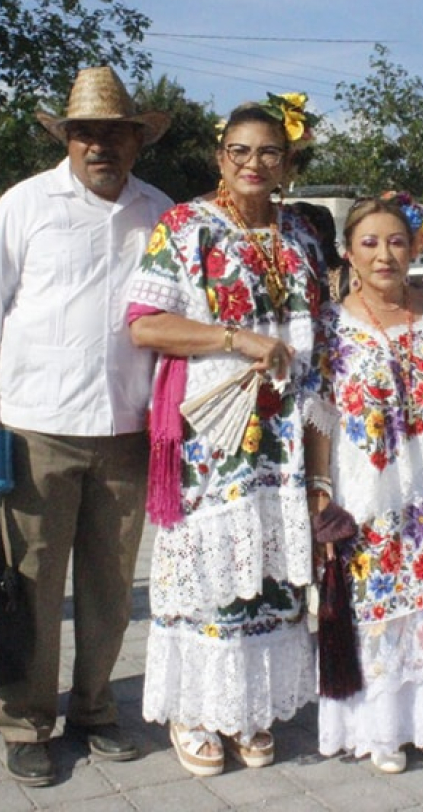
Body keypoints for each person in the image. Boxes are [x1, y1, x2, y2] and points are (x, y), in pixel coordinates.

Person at [0, 67, 171, 787]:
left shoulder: (160, 212)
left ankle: (96, 708)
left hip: (128, 428)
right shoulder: (25, 203)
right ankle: (25, 720)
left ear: (137, 141)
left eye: (113, 133)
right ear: (66, 139)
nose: (98, 145)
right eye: (84, 132)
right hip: (35, 425)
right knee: (31, 582)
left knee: (109, 586)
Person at [127, 95, 322, 778]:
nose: (253, 163)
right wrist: (233, 338)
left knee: (267, 576)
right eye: (239, 150)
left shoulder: (300, 233)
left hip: (283, 433)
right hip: (213, 434)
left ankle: (250, 709)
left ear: (288, 162)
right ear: (220, 157)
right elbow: (145, 325)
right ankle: (197, 709)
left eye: (268, 151)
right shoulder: (186, 226)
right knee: (211, 571)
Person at [305, 195, 423, 773]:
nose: (384, 254)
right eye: (369, 243)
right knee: (381, 603)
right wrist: (319, 489)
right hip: (369, 490)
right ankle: (382, 731)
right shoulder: (331, 325)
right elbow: (320, 411)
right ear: (348, 253)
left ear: (414, 247)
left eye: (395, 241)